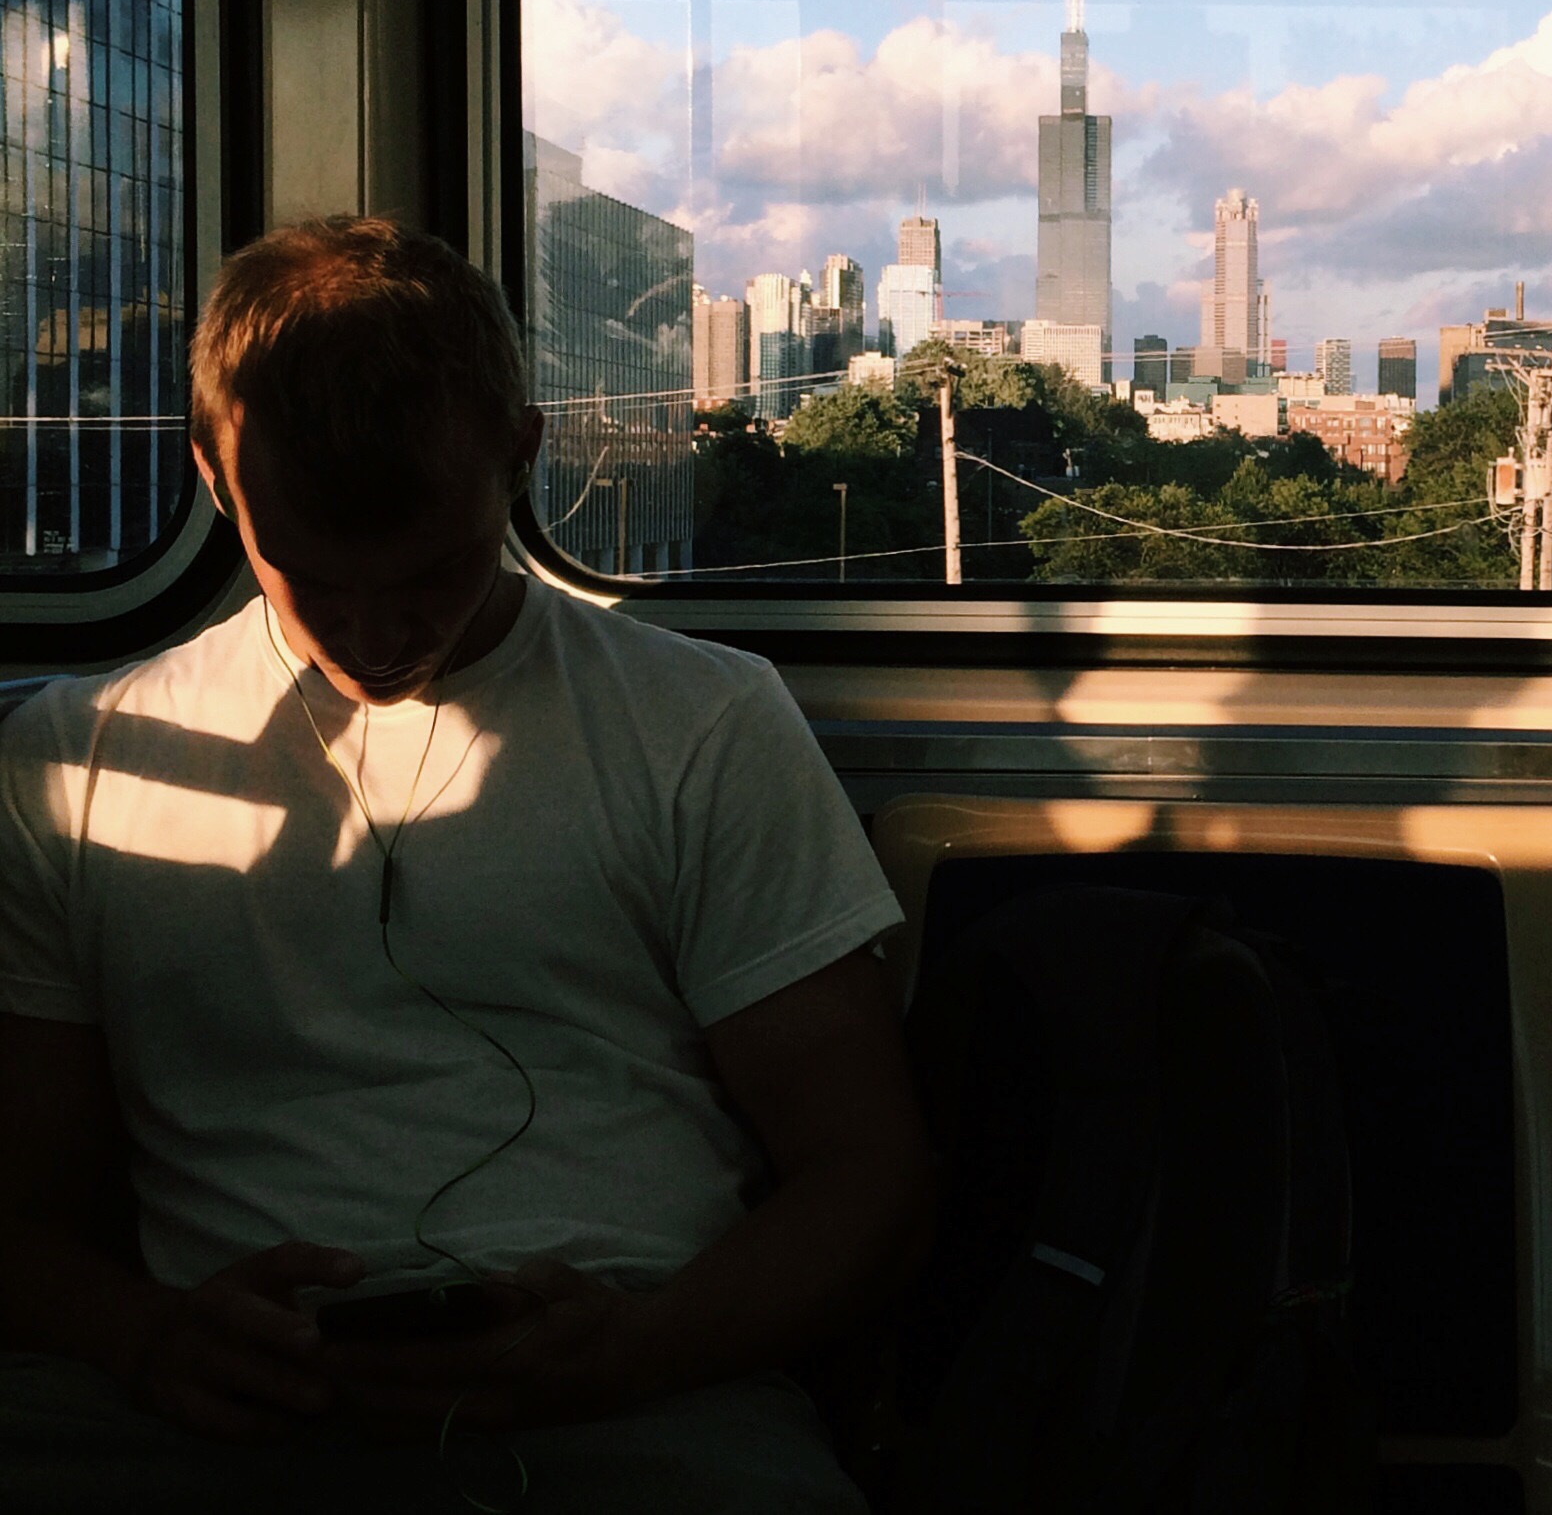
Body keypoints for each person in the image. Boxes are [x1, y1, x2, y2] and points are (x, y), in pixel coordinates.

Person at [0, 218, 930, 1512]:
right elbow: (24, 1212)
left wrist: (638, 1345)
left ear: (522, 459)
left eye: (432, 571)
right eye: (310, 580)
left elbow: (863, 1167)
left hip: (640, 1387)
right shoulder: (78, 760)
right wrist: (145, 1336)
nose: (376, 633)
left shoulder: (702, 723)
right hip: (209, 1406)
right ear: (219, 481)